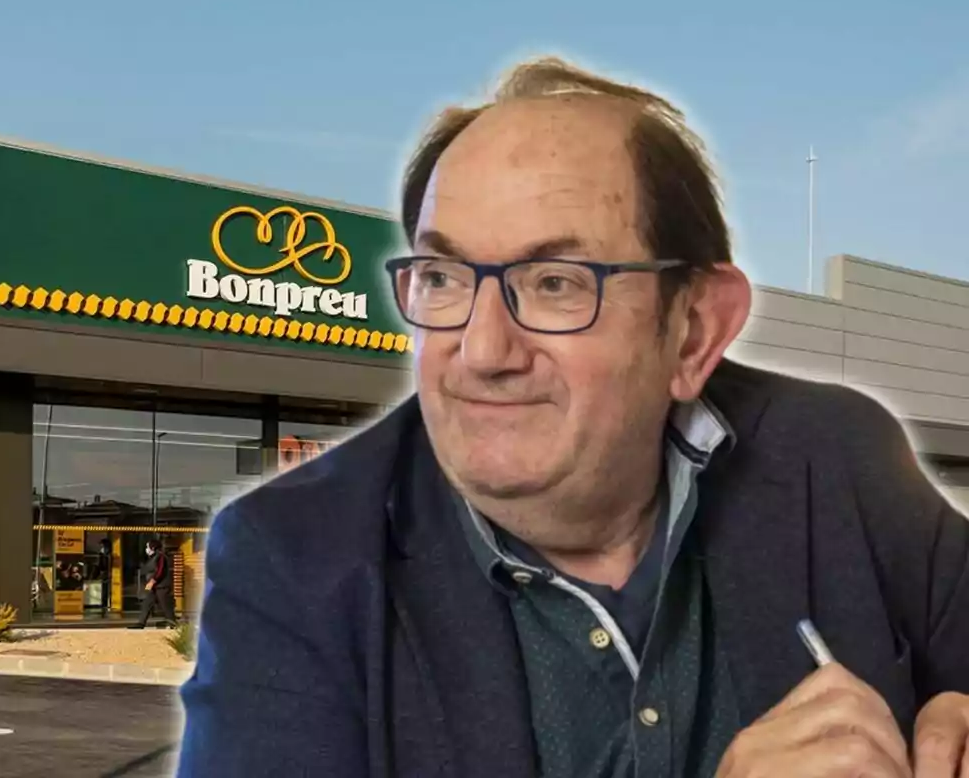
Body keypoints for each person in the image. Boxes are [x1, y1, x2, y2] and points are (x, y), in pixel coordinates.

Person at [177, 55, 969, 778]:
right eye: (444, 275)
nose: (481, 349)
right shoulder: (293, 557)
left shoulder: (834, 458)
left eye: (555, 282)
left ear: (692, 330)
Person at [130, 539, 175, 630]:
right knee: (147, 604)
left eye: (147, 547)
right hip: (155, 587)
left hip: (162, 586)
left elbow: (160, 571)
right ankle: (141, 623)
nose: (146, 549)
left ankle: (172, 622)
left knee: (166, 605)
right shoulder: (153, 558)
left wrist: (152, 581)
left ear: (153, 547)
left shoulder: (161, 557)